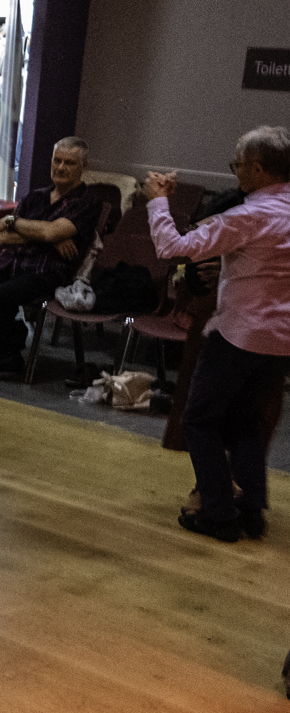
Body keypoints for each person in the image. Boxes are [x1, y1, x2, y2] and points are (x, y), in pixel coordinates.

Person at [145, 127, 290, 541]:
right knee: (245, 420)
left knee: (200, 419)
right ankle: (250, 511)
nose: (236, 173)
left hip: (240, 335)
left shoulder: (249, 216)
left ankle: (219, 514)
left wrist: (157, 200)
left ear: (258, 168)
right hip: (282, 341)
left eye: (238, 165)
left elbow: (172, 247)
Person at [0, 137, 103, 384]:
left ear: (83, 167)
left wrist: (15, 222)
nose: (60, 167)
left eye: (69, 163)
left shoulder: (87, 203)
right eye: (57, 160)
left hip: (47, 273)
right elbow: (3, 236)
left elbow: (43, 231)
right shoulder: (35, 197)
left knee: (3, 295)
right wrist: (47, 236)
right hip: (8, 263)